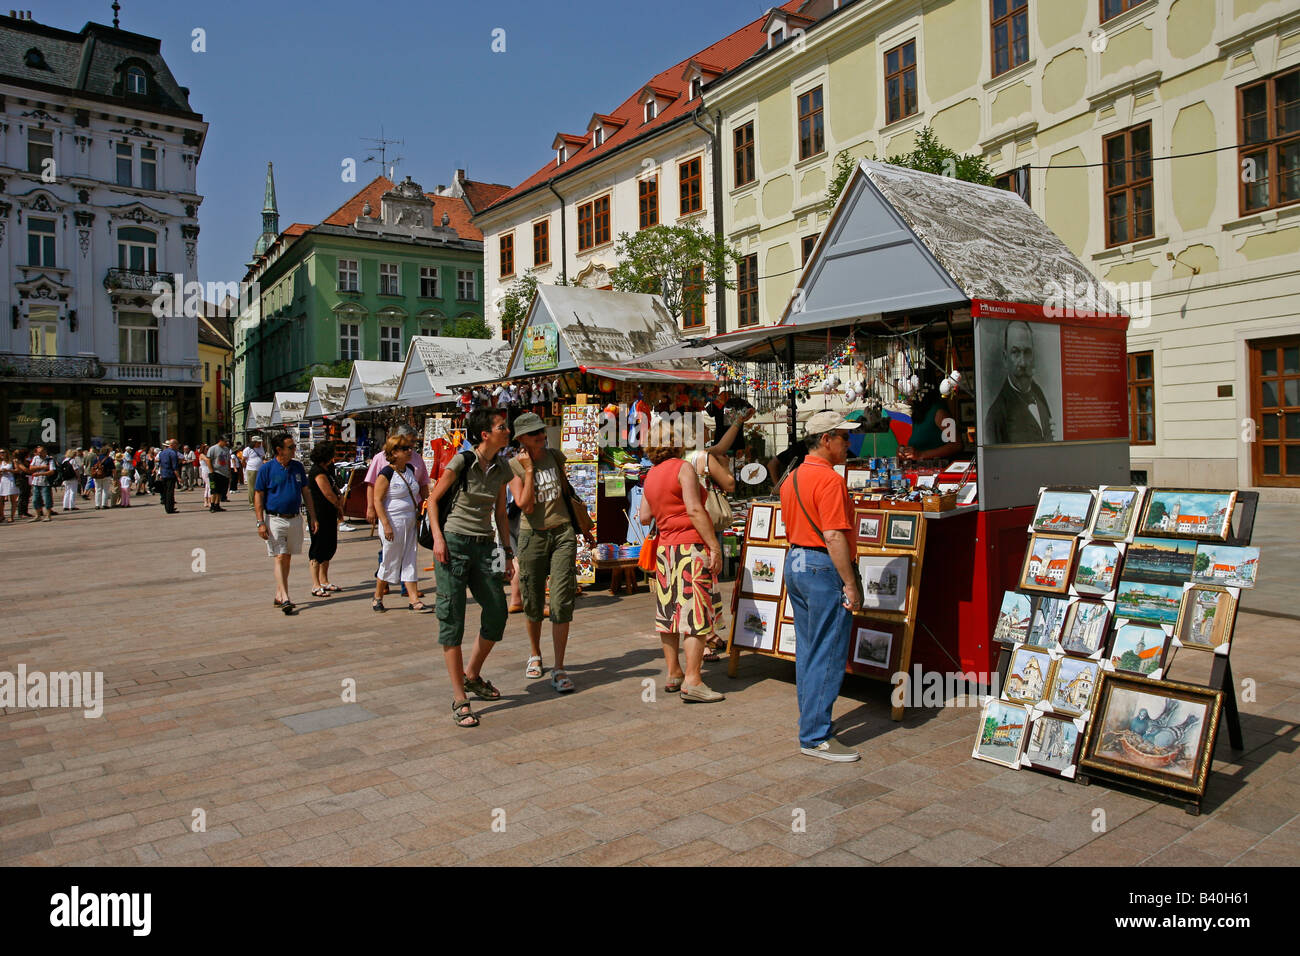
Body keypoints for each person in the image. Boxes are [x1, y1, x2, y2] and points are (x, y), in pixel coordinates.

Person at [780, 410, 863, 762]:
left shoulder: (792, 477)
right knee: (828, 650)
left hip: (796, 562)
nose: (848, 443)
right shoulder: (830, 480)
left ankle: (811, 723)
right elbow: (832, 535)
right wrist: (850, 582)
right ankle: (814, 735)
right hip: (820, 566)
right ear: (825, 440)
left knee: (810, 649)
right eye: (843, 437)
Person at [428, 407, 514, 728]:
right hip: (453, 543)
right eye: (502, 427)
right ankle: (460, 698)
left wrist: (506, 552)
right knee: (453, 617)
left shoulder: (502, 467)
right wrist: (438, 538)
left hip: (486, 546)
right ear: (485, 434)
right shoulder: (461, 461)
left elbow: (502, 514)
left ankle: (472, 675)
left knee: (497, 611)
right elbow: (434, 500)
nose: (508, 431)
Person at [638, 416, 725, 704]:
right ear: (675, 444)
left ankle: (673, 673)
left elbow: (644, 516)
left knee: (669, 615)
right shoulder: (683, 468)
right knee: (695, 616)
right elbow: (695, 510)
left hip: (666, 551)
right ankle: (693, 680)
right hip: (691, 548)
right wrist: (714, 546)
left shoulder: (650, 475)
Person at [507, 412, 592, 693]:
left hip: (563, 532)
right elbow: (526, 506)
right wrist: (529, 470)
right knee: (532, 601)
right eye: (534, 434)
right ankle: (535, 654)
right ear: (520, 438)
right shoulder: (513, 467)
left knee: (561, 599)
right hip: (533, 537)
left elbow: (566, 491)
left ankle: (559, 666)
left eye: (542, 431)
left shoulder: (555, 456)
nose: (541, 436)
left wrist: (584, 526)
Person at [254, 432, 318, 615]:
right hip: (275, 519)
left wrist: (312, 516)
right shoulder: (266, 469)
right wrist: (260, 522)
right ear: (279, 450)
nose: (294, 450)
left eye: (294, 446)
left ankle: (279, 594)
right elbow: (258, 495)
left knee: (287, 556)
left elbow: (306, 492)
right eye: (291, 447)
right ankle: (285, 597)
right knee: (280, 556)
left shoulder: (297, 467)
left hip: (295, 518)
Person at [365, 424, 429, 603]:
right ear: (394, 452)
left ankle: (413, 598)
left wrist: (426, 506)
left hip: (410, 518)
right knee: (390, 558)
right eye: (406, 447)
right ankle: (378, 595)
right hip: (393, 520)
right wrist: (383, 522)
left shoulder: (410, 468)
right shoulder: (385, 471)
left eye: (412, 446)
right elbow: (375, 494)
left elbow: (422, 485)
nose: (411, 450)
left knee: (410, 557)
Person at [985, 320, 1055, 444]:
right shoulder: (996, 415)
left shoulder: (1039, 394)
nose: (1022, 363)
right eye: (1015, 352)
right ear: (1005, 358)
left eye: (1027, 352)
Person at [898, 374, 965, 463]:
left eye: (910, 391)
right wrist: (904, 451)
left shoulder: (940, 412)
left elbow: (957, 445)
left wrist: (921, 454)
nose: (908, 396)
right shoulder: (918, 414)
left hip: (938, 470)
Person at [307, 442, 343, 597]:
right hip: (319, 513)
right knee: (318, 547)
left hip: (329, 513)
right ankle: (315, 584)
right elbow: (328, 493)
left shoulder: (328, 470)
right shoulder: (317, 472)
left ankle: (324, 580)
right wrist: (338, 504)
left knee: (330, 546)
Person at [27, 444, 54, 521]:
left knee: (47, 499)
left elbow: (51, 471)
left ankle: (48, 515)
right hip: (36, 482)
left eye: (41, 452)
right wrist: (43, 467)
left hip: (45, 482)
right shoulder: (35, 458)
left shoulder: (50, 459)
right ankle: (37, 515)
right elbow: (31, 467)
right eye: (38, 452)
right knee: (35, 499)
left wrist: (39, 473)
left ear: (45, 452)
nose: (39, 453)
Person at [208, 436, 232, 512]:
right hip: (215, 472)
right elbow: (208, 460)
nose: (226, 443)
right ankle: (212, 506)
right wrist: (211, 471)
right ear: (220, 441)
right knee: (214, 490)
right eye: (225, 441)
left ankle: (217, 505)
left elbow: (228, 461)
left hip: (224, 473)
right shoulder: (213, 448)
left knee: (220, 491)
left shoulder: (226, 449)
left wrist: (229, 471)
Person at [157, 439, 181, 514]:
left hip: (164, 474)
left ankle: (167, 507)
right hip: (170, 474)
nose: (177, 446)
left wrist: (160, 474)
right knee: (170, 492)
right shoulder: (173, 453)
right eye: (176, 444)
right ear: (173, 445)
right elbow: (175, 467)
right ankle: (170, 508)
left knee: (165, 491)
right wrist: (178, 477)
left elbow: (160, 465)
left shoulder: (162, 453)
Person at [0, 449, 16, 522]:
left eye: (3, 452)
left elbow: (17, 470)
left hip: (11, 480)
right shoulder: (0, 462)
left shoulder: (12, 461)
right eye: (0, 453)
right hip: (2, 481)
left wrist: (8, 470)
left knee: (12, 500)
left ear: (7, 453)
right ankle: (2, 515)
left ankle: (11, 516)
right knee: (1, 500)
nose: (1, 454)